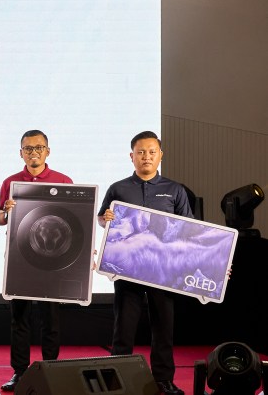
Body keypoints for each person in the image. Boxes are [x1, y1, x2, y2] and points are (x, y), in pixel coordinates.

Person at [98, 131, 191, 395]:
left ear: (161, 155)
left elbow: (189, 229)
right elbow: (102, 219)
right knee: (123, 329)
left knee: (163, 328)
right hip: (128, 269)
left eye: (152, 152)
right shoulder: (118, 188)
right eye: (140, 152)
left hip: (163, 271)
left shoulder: (175, 190)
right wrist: (105, 219)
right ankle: (116, 381)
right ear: (132, 156)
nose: (146, 157)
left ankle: (163, 380)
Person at [0, 130, 72, 392]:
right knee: (20, 318)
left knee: (51, 318)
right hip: (20, 259)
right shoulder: (10, 183)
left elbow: (74, 220)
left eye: (39, 147)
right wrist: (5, 212)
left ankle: (51, 369)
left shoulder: (64, 181)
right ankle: (19, 372)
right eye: (28, 149)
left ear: (48, 151)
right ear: (21, 153)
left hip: (53, 261)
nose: (34, 153)